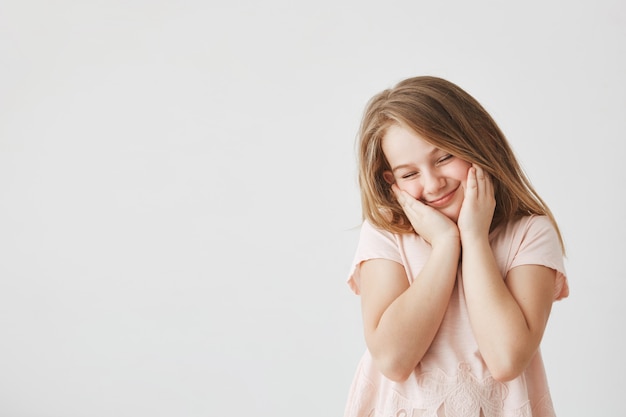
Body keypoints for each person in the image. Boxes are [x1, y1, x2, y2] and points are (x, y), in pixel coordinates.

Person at [344, 76, 569, 417]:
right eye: (409, 174)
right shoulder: (386, 234)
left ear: (479, 143)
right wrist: (446, 244)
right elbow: (393, 358)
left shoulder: (529, 233)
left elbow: (506, 359)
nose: (433, 184)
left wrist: (474, 238)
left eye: (444, 157)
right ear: (391, 182)